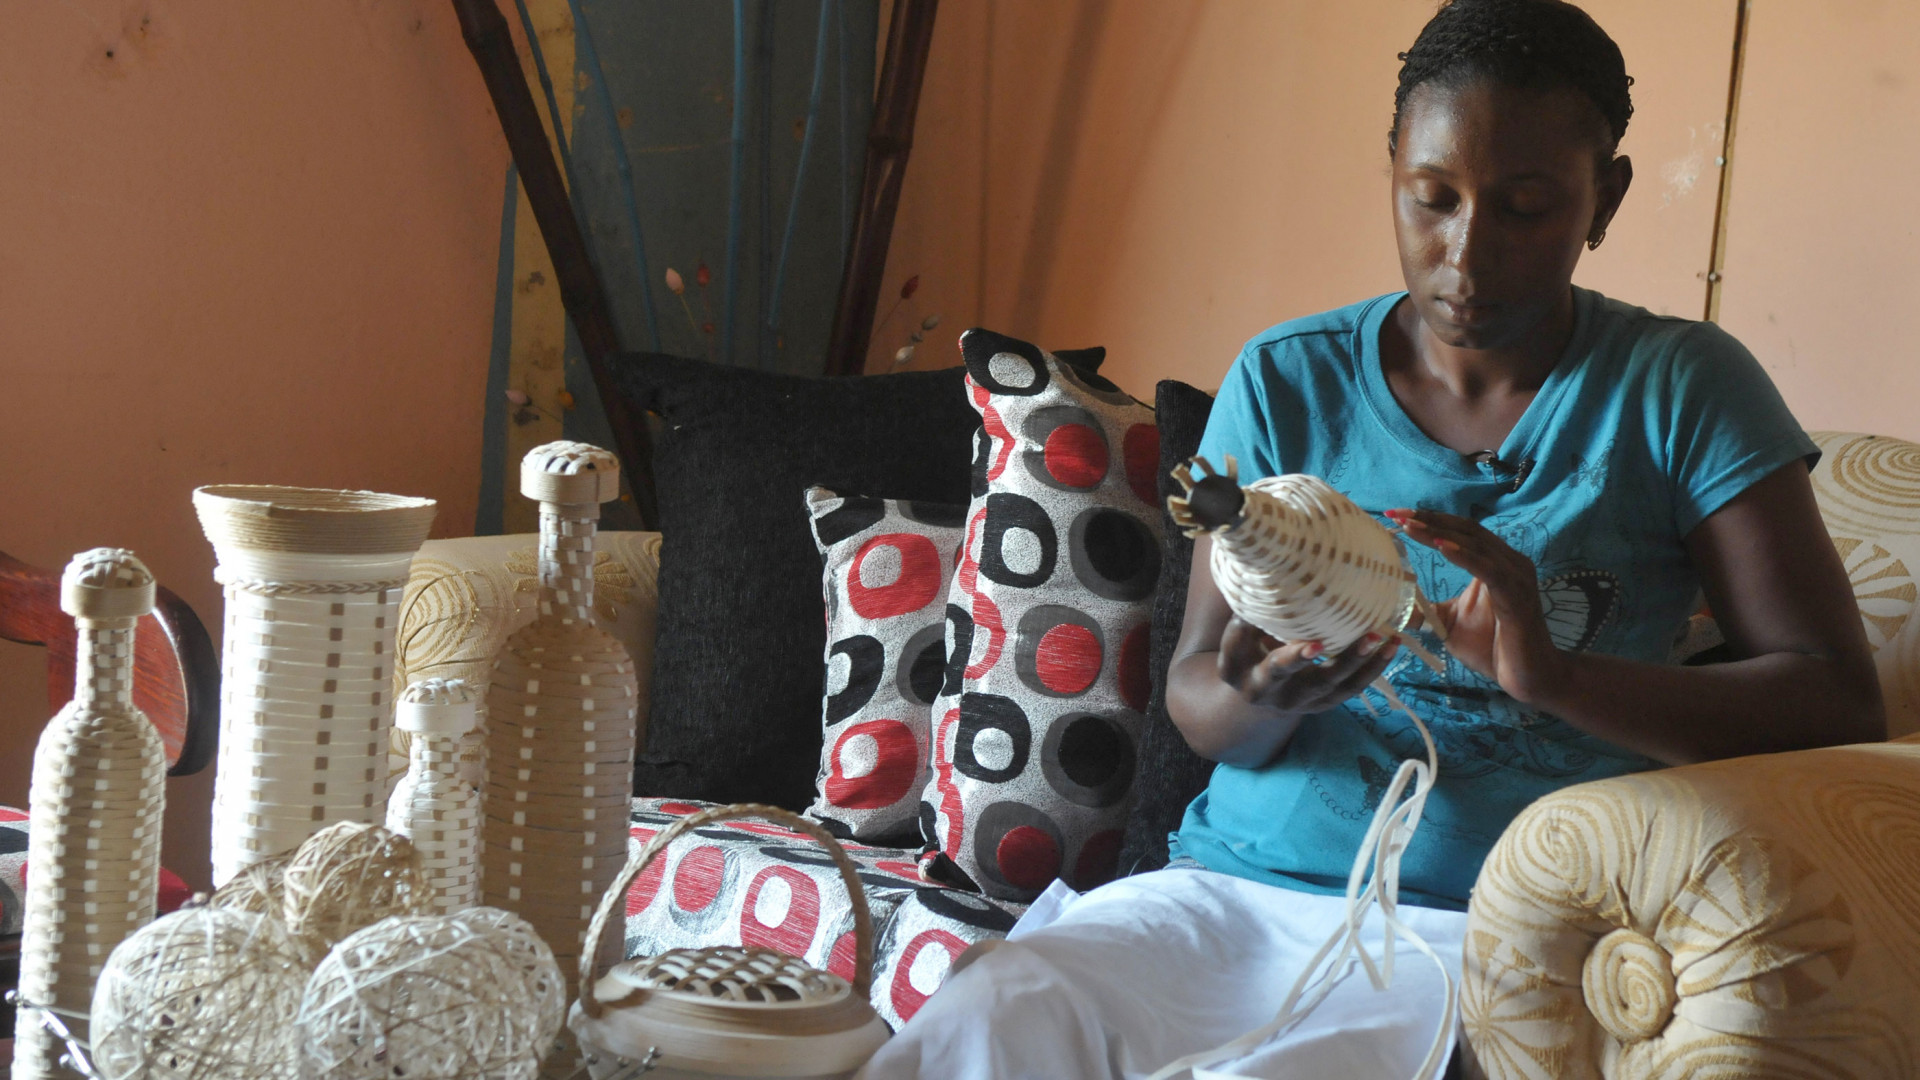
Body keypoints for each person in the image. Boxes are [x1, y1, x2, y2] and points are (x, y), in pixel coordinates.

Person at [858, 2, 1883, 1077]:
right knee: (991, 1018)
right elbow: (1199, 694)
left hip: (1485, 932)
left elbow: (1835, 701)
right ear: (1391, 167)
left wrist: (1557, 679)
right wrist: (1263, 695)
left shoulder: (1681, 390)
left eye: (1527, 206)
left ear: (1607, 198)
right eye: (1432, 197)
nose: (1466, 256)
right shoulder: (1286, 379)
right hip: (1227, 899)